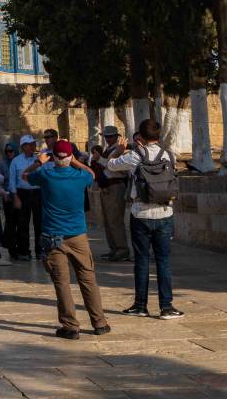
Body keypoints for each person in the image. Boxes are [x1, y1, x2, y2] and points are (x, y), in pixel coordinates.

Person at [22, 140, 110, 340]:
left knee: (62, 283)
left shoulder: (45, 175)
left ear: (54, 157)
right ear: (70, 157)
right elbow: (92, 173)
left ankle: (70, 326)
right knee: (88, 279)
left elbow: (24, 176)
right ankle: (100, 323)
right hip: (78, 236)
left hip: (54, 237)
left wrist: (39, 162)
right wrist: (75, 161)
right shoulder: (80, 177)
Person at [104, 118, 184, 320]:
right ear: (158, 135)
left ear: (139, 135)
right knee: (163, 262)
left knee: (141, 261)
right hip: (165, 212)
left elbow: (111, 166)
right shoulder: (168, 154)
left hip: (140, 214)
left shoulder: (133, 156)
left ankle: (140, 305)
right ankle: (166, 307)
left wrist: (119, 150)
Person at [90, 126, 130, 261]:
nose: (108, 139)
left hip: (116, 186)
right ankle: (114, 248)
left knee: (115, 220)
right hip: (107, 187)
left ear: (116, 136)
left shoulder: (122, 150)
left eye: (110, 136)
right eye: (106, 136)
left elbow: (112, 165)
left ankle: (122, 249)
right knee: (108, 221)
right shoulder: (110, 149)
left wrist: (99, 158)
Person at [8, 135, 42, 260]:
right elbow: (12, 180)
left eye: (33, 143)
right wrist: (15, 197)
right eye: (29, 144)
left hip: (37, 192)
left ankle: (40, 250)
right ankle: (24, 251)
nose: (32, 146)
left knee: (39, 223)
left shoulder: (38, 160)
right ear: (23, 147)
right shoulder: (16, 161)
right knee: (23, 223)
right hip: (23, 193)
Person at [0, 141, 19, 258]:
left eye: (11, 151)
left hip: (20, 196)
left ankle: (20, 246)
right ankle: (12, 248)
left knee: (20, 222)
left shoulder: (19, 163)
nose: (8, 153)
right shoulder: (3, 164)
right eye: (7, 151)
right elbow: (0, 181)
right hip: (8, 197)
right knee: (10, 223)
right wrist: (4, 193)